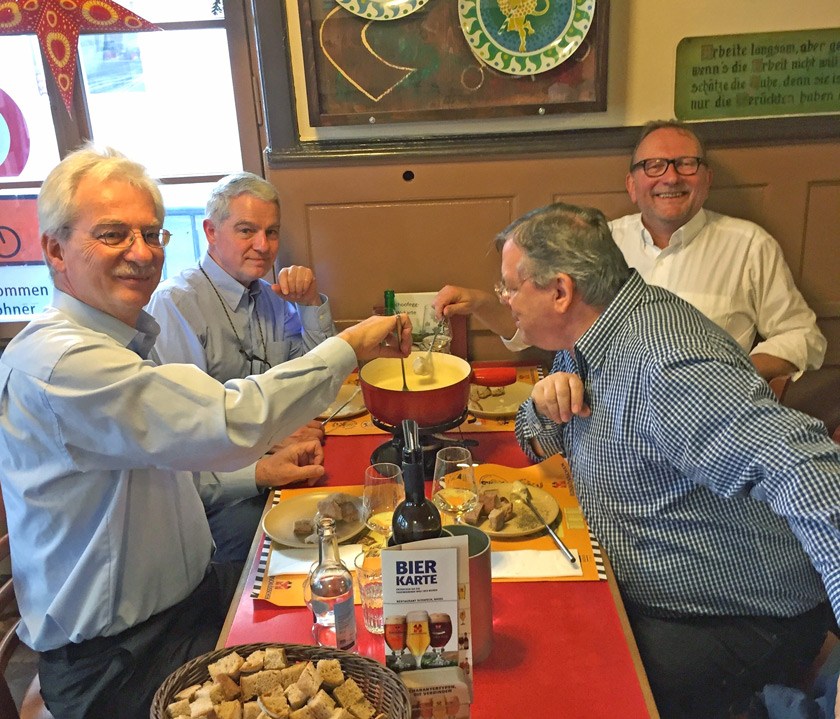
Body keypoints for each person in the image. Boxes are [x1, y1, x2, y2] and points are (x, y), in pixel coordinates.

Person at [0, 145, 412, 719]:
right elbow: (231, 419)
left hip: (187, 605)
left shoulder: (119, 339)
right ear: (54, 249)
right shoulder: (62, 362)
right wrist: (351, 345)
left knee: (349, 621)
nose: (141, 252)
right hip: (120, 659)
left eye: (152, 234)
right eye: (114, 234)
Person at [494, 202, 840, 718]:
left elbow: (806, 468)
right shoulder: (589, 336)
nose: (504, 300)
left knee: (568, 694)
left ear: (561, 291)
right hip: (644, 584)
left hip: (739, 617)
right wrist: (544, 406)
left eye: (509, 286)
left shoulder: (667, 362)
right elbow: (534, 436)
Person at [434, 120, 826, 382]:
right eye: (654, 166)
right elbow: (533, 325)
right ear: (632, 185)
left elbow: (802, 336)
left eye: (685, 164)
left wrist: (730, 374)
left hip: (699, 421)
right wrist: (483, 302)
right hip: (598, 415)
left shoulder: (749, 245)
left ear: (706, 178)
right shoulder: (601, 240)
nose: (670, 177)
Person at [146, 172, 335, 562]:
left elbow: (314, 376)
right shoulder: (176, 304)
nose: (263, 246)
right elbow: (187, 446)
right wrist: (271, 437)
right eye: (247, 230)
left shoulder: (270, 297)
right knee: (302, 544)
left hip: (275, 468)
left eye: (272, 232)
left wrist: (312, 304)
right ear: (211, 231)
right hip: (212, 505)